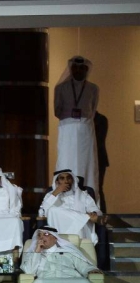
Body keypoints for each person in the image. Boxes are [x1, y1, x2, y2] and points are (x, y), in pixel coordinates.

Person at [54, 56, 100, 192]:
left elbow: (92, 110)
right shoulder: (61, 88)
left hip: (86, 131)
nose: (78, 71)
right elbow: (57, 111)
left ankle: (88, 198)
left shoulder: (93, 88)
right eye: (75, 68)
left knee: (87, 165)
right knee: (66, 162)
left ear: (86, 70)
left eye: (82, 68)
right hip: (67, 131)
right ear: (71, 69)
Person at [42, 169, 102, 244]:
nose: (66, 181)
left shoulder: (83, 195)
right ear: (57, 181)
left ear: (73, 180)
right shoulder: (51, 195)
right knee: (52, 210)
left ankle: (83, 217)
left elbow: (93, 208)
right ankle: (83, 216)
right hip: (59, 229)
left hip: (80, 231)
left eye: (68, 178)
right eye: (62, 178)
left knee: (78, 222)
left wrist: (93, 213)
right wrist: (57, 191)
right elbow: (43, 211)